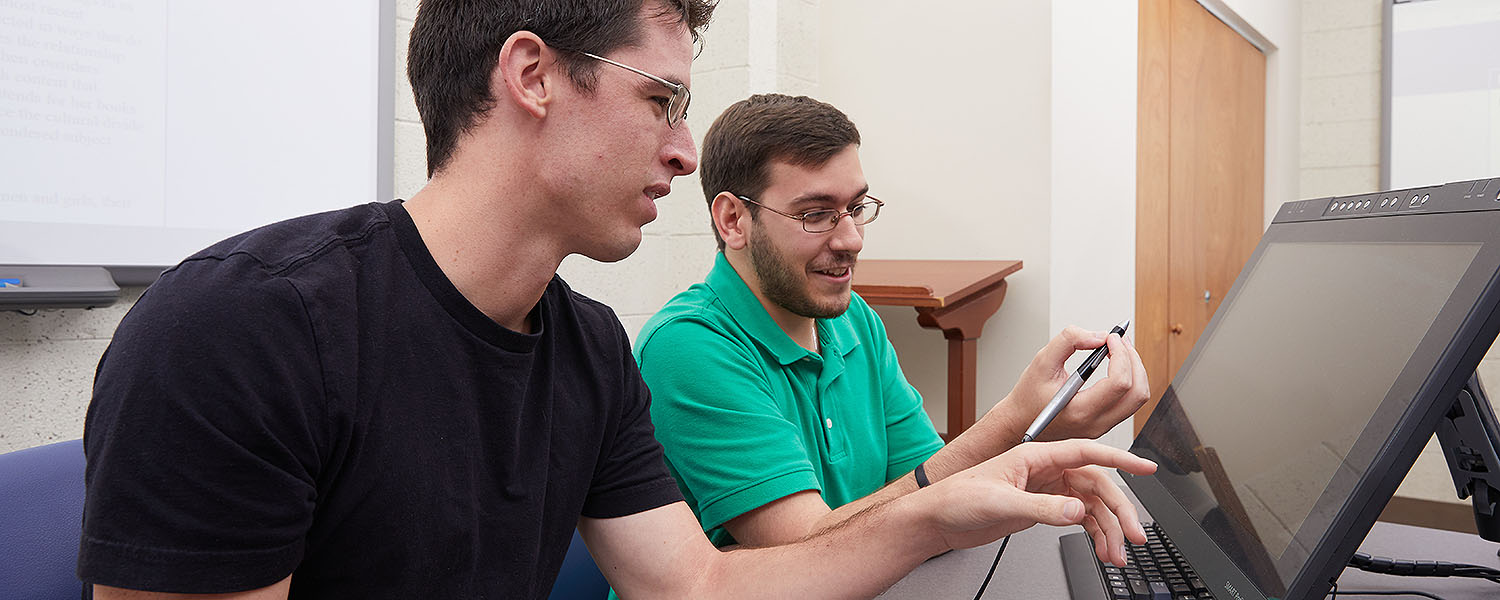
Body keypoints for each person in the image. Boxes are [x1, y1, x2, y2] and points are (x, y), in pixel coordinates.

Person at [77, 3, 1154, 599]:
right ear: (533, 76)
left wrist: (940, 508)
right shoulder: (242, 332)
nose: (687, 151)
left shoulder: (587, 349)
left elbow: (694, 588)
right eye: (664, 100)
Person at [635, 94, 1153, 566]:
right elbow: (803, 551)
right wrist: (1011, 422)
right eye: (816, 215)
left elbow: (927, 478)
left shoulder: (854, 319)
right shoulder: (689, 346)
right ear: (732, 220)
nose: (852, 239)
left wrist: (1034, 458)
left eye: (856, 207)